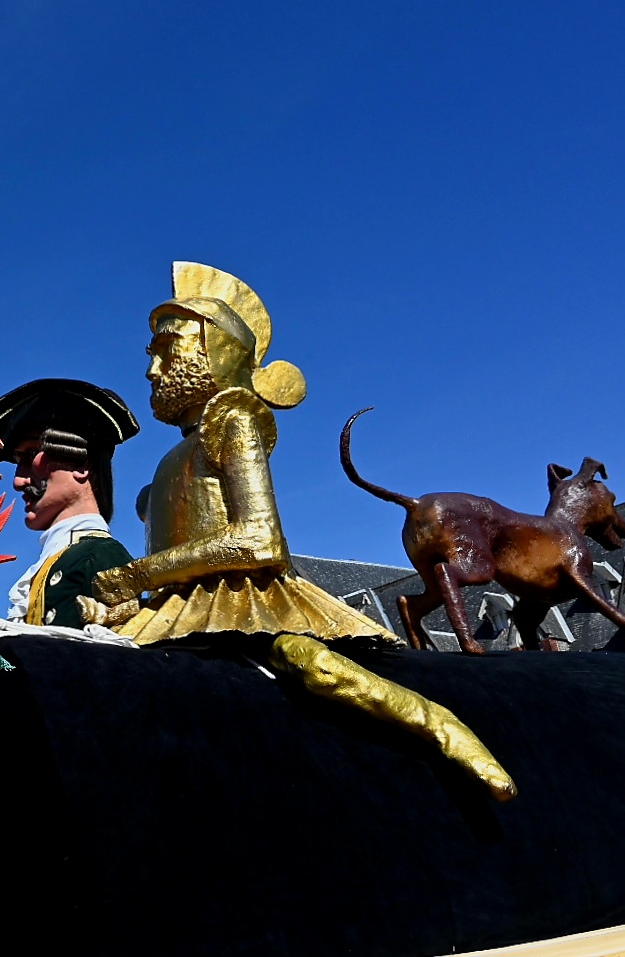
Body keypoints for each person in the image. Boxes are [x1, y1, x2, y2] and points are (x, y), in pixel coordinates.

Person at [84, 262, 515, 801]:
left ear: (214, 351)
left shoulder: (233, 420)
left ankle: (443, 726)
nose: (151, 370)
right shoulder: (170, 459)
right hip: (180, 602)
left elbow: (262, 538)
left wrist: (136, 574)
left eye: (165, 351)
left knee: (309, 665)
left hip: (246, 598)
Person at [0, 379, 139, 628]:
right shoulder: (60, 560)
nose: (17, 481)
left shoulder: (97, 558)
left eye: (29, 456)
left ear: (81, 465)